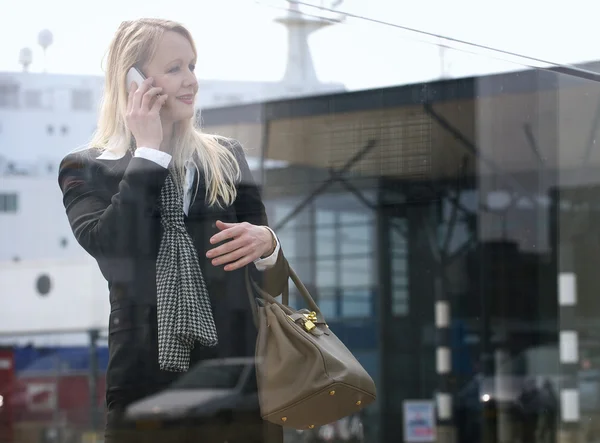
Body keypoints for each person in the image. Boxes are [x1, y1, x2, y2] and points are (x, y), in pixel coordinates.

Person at [57, 18, 289, 443]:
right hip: (145, 389)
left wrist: (269, 245)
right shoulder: (84, 167)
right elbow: (113, 252)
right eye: (176, 67)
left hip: (237, 388)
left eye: (193, 66)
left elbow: (269, 283)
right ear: (134, 80)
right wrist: (148, 152)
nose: (192, 81)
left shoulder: (227, 157)